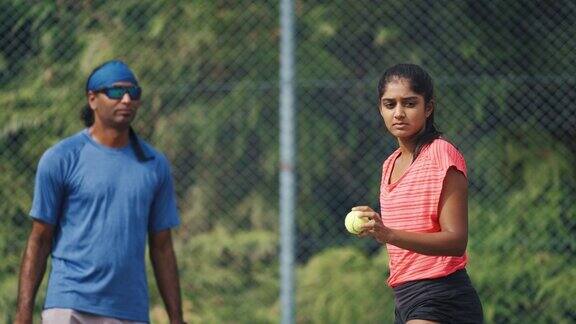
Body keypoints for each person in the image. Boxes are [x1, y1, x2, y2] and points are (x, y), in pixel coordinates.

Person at [15, 60, 186, 324]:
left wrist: (176, 317)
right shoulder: (61, 158)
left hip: (129, 310)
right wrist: (23, 313)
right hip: (70, 304)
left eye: (134, 93)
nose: (127, 99)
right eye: (116, 92)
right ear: (92, 99)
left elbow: (162, 247)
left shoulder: (154, 165)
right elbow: (39, 239)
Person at [352, 63, 483, 323]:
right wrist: (377, 226)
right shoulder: (389, 164)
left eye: (409, 103)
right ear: (380, 109)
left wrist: (388, 233)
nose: (399, 113)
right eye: (390, 105)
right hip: (404, 298)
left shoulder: (441, 154)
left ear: (429, 108)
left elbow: (456, 242)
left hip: (443, 297)